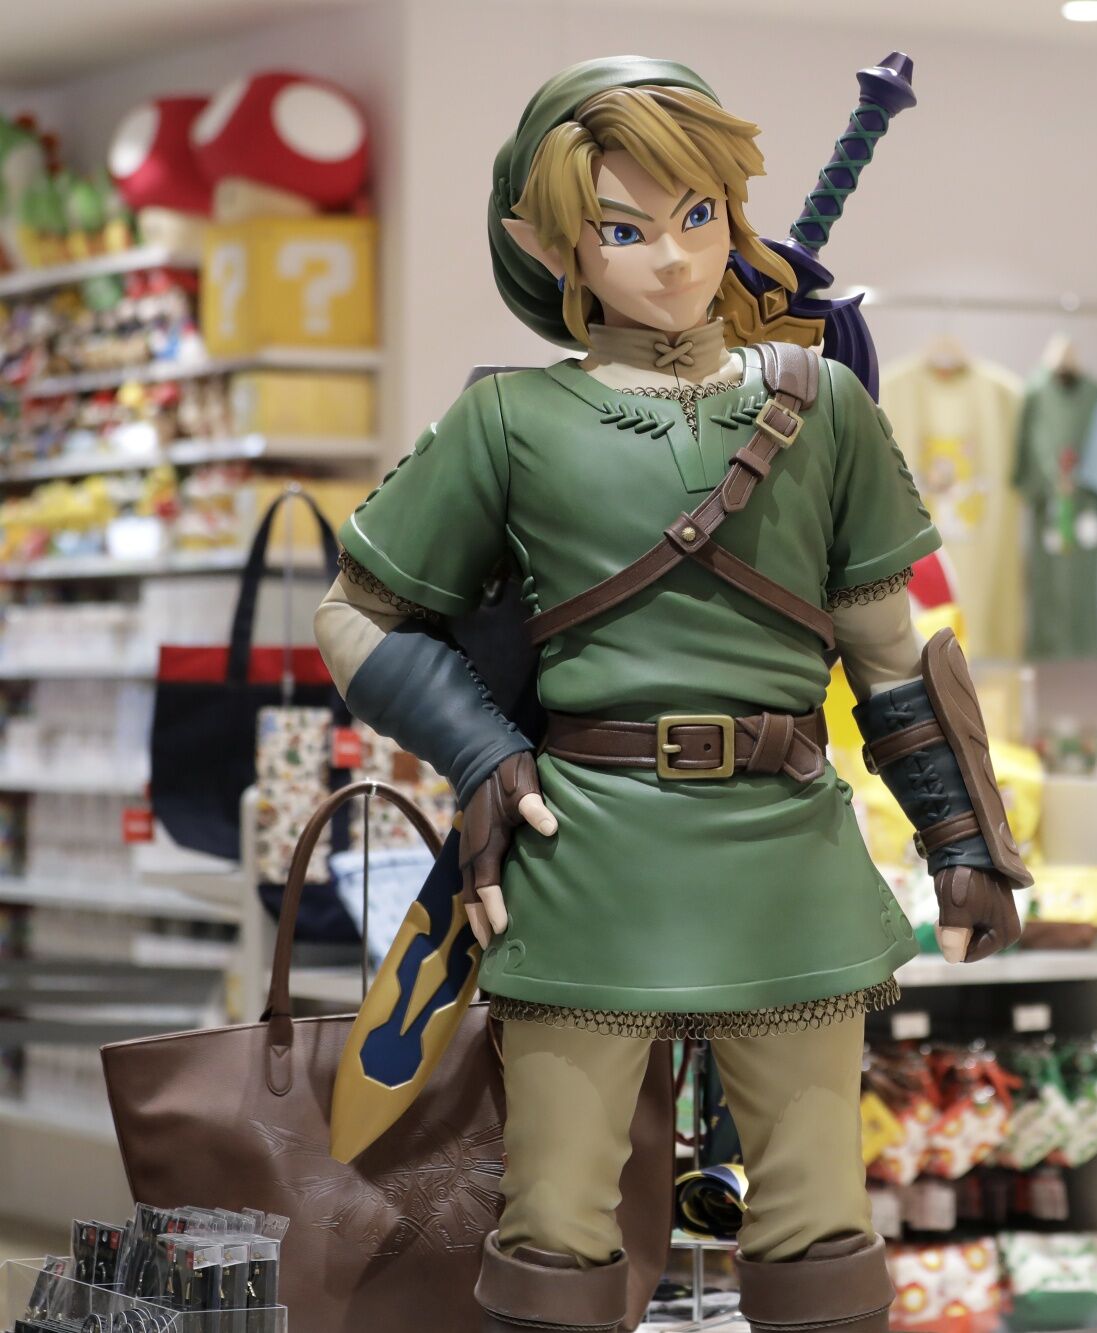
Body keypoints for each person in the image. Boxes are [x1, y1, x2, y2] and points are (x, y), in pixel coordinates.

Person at [313, 57, 1029, 1333]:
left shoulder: (822, 404)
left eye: (701, 213)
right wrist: (481, 751)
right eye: (625, 228)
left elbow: (890, 653)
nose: (676, 255)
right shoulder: (507, 419)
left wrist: (963, 841)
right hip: (585, 848)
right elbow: (356, 616)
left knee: (818, 1227)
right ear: (547, 244)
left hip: (785, 848)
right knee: (553, 1224)